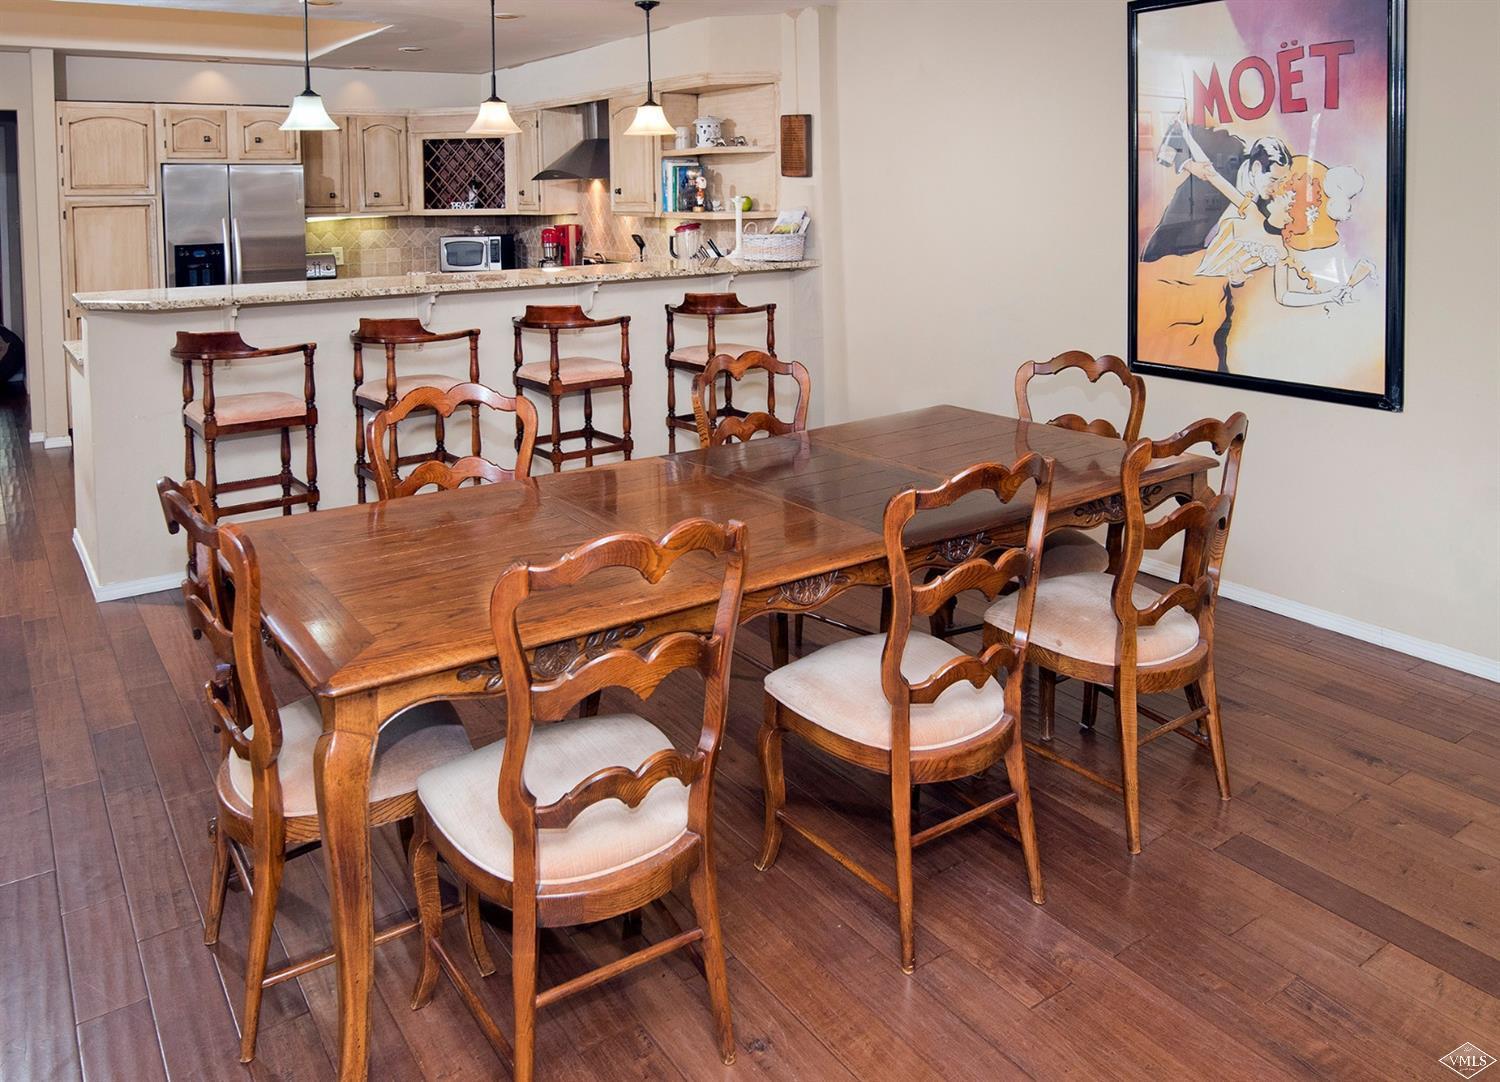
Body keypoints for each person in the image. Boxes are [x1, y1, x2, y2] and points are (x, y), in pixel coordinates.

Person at [1141, 114, 1292, 262]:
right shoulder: (1229, 148)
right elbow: (1176, 130)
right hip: (1174, 243)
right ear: (1257, 167)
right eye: (1273, 179)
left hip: (1214, 265)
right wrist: (1189, 165)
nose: (1276, 187)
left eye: (1281, 181)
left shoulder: (1267, 205)